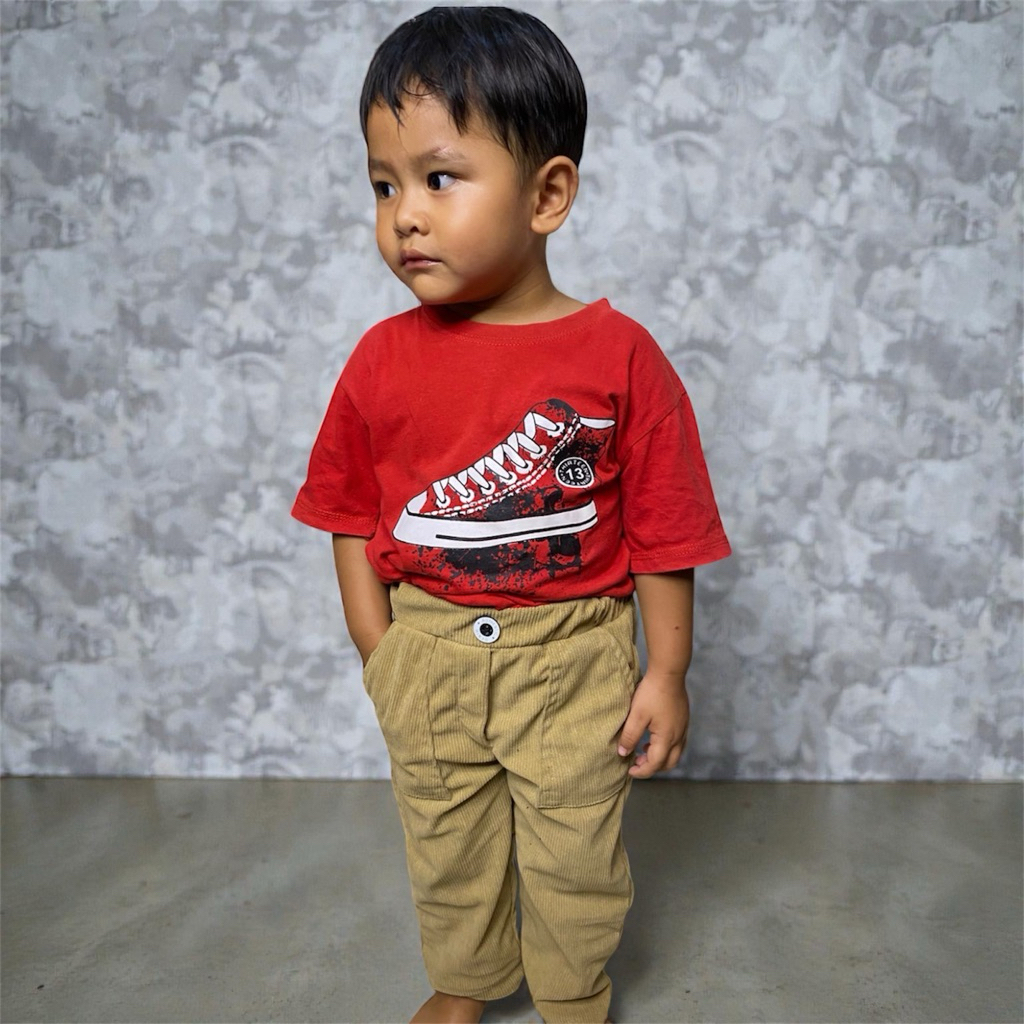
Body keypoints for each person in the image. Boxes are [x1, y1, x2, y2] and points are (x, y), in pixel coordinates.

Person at [292, 7, 731, 1022]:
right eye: (384, 185)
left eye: (439, 178)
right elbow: (349, 512)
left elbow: (664, 528)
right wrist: (379, 649)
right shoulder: (379, 360)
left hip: (571, 654)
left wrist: (666, 670)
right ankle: (467, 979)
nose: (404, 215)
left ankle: (573, 991)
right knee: (446, 837)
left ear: (547, 195)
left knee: (576, 845)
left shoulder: (620, 358)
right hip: (430, 648)